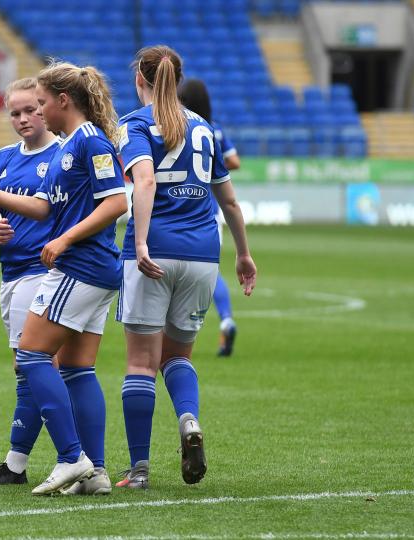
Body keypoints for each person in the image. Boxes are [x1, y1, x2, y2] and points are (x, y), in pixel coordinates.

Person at [0, 62, 128, 496]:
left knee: (31, 356)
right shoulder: (70, 147)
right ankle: (95, 473)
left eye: (41, 103)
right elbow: (44, 207)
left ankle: (70, 457)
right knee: (78, 370)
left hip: (83, 265)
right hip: (93, 268)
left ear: (63, 100)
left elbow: (117, 202)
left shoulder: (90, 141)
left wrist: (65, 239)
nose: (38, 111)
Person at [115, 46, 256, 490]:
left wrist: (140, 241)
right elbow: (229, 200)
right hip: (202, 255)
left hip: (154, 252)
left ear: (139, 79)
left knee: (141, 363)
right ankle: (189, 420)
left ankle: (139, 470)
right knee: (177, 358)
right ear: (177, 80)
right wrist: (244, 255)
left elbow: (144, 181)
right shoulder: (205, 128)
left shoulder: (134, 124)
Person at [0, 77, 59, 486]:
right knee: (33, 367)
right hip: (12, 274)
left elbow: (44, 209)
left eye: (30, 110)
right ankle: (55, 459)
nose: (22, 119)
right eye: (15, 113)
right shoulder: (3, 158)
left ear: (44, 108)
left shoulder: (61, 154)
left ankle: (27, 462)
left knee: (32, 365)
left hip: (43, 272)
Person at [178, 78, 242, 357]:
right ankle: (226, 320)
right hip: (210, 213)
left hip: (180, 208)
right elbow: (235, 161)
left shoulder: (181, 126)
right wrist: (208, 163)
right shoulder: (213, 129)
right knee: (209, 271)